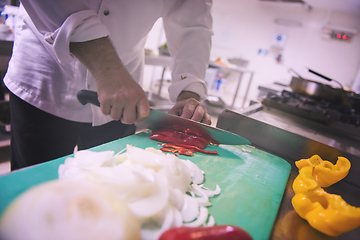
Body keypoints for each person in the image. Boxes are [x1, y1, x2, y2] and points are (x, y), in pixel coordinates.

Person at [4, 0, 213, 170]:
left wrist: (189, 90)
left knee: (110, 183)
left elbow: (193, 24)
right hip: (46, 79)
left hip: (123, 101)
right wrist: (107, 69)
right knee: (35, 187)